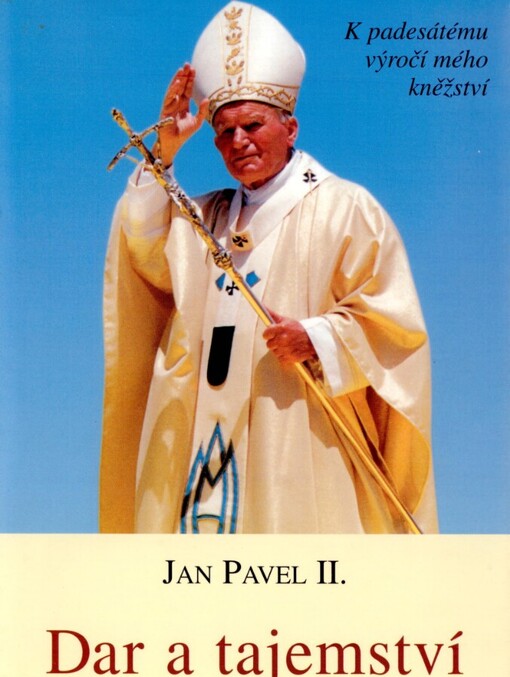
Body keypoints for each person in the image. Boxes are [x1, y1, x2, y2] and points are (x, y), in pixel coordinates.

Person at [100, 2, 438, 534]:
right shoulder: (204, 217)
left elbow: (394, 327)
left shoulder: (345, 209)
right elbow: (144, 249)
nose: (238, 142)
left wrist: (318, 338)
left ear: (290, 127)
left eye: (252, 125)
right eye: (223, 131)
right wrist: (162, 152)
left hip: (298, 432)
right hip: (204, 437)